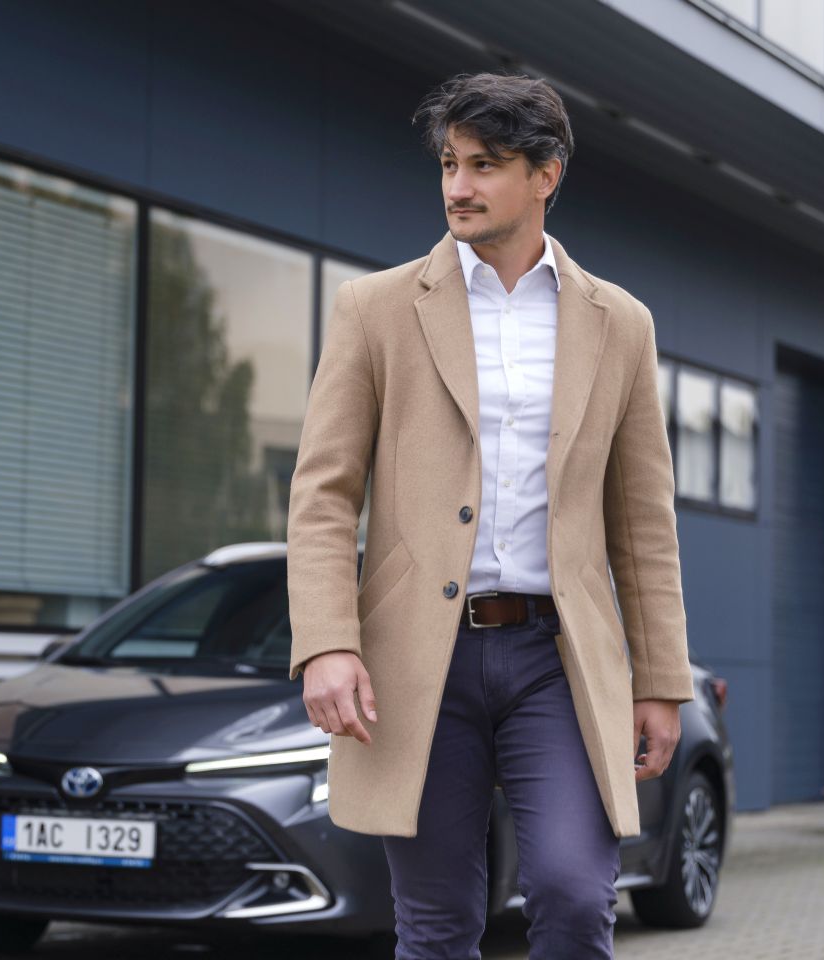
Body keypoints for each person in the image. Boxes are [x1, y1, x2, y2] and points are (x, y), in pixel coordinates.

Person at [285, 71, 695, 959]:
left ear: (546, 176)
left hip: (556, 660)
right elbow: (323, 494)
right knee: (436, 925)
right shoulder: (376, 309)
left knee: (574, 896)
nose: (458, 186)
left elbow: (643, 522)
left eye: (485, 164)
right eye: (449, 163)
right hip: (418, 664)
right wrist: (326, 641)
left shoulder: (620, 323)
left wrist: (661, 679)